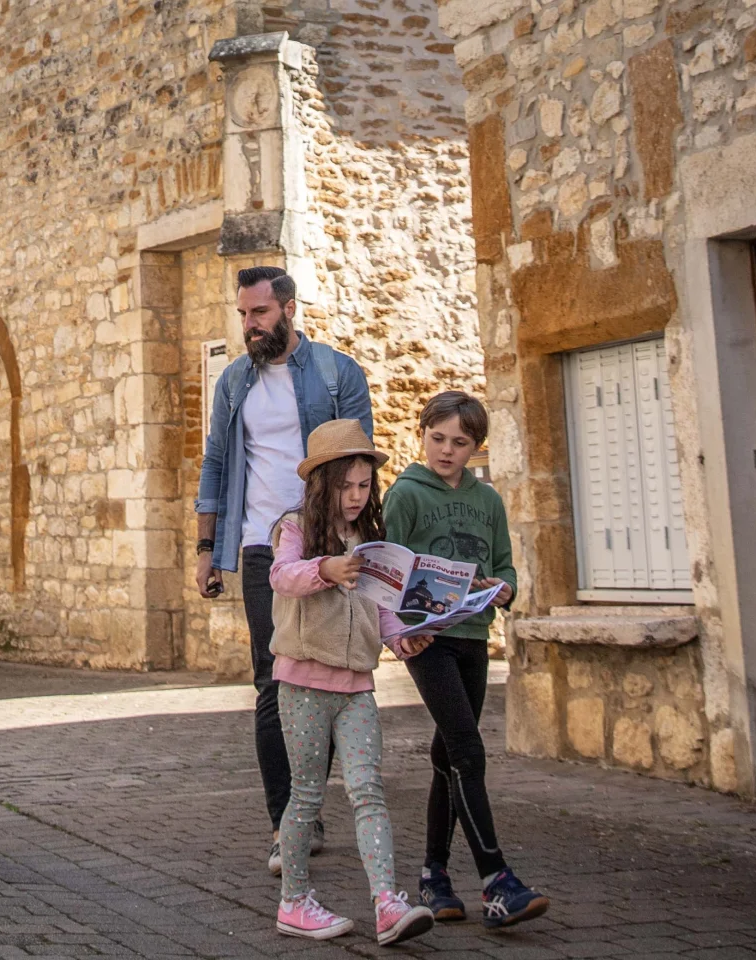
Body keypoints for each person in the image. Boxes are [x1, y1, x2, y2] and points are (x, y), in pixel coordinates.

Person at [194, 265, 374, 874]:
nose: (248, 326)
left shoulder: (336, 372)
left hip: (321, 547)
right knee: (272, 683)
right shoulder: (233, 382)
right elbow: (216, 463)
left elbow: (358, 464)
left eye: (259, 314)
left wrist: (357, 547)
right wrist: (205, 549)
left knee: (320, 679)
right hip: (258, 548)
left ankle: (307, 807)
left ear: (289, 310)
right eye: (243, 314)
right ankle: (287, 821)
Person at [266, 419, 437, 945]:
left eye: (365, 486)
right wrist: (326, 569)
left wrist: (401, 639)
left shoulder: (369, 538)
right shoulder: (294, 528)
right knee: (307, 796)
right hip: (303, 684)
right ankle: (294, 902)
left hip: (358, 687)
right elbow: (281, 577)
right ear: (323, 482)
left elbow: (379, 607)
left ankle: (387, 902)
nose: (357, 496)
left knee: (368, 790)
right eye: (346, 486)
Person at [384, 391, 551, 928]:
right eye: (438, 439)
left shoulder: (489, 501)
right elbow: (386, 569)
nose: (446, 451)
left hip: (475, 634)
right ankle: (496, 881)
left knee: (446, 758)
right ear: (422, 435)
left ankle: (434, 877)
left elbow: (507, 566)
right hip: (428, 639)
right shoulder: (406, 495)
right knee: (467, 749)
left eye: (460, 442)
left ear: (476, 447)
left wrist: (504, 589)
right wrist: (402, 626)